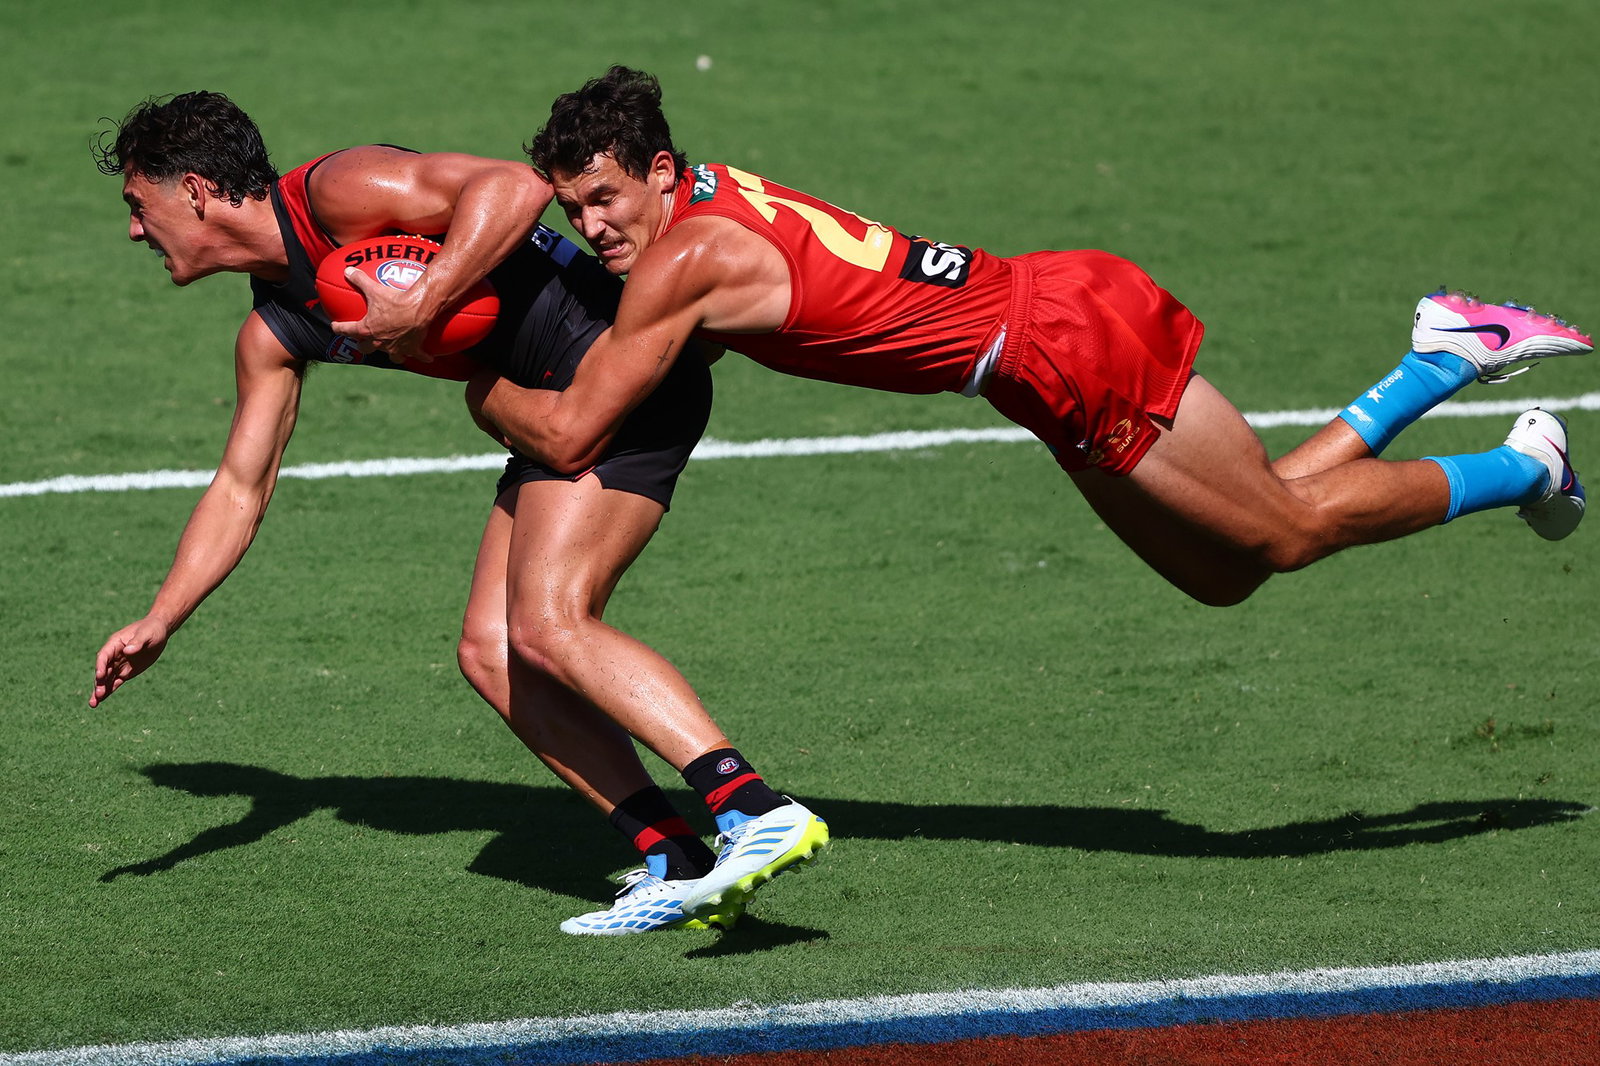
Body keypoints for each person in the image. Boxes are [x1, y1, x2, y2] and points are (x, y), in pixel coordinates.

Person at [469, 66, 1592, 909]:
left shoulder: (685, 258)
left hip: (1059, 347)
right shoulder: (708, 207)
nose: (593, 226)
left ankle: (1522, 462)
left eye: (607, 197)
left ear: (661, 171)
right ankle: (1441, 359)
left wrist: (474, 376)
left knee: (1280, 534)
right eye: (574, 209)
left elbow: (572, 426)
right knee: (1225, 566)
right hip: (1043, 349)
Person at [88, 91, 828, 936]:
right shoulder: (274, 331)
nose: (137, 233)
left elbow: (513, 186)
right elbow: (238, 490)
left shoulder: (336, 192)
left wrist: (426, 294)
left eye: (138, 206)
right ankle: (679, 861)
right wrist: (162, 618)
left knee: (550, 624)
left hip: (613, 372)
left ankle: (754, 809)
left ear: (193, 190)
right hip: (540, 404)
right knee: (490, 651)